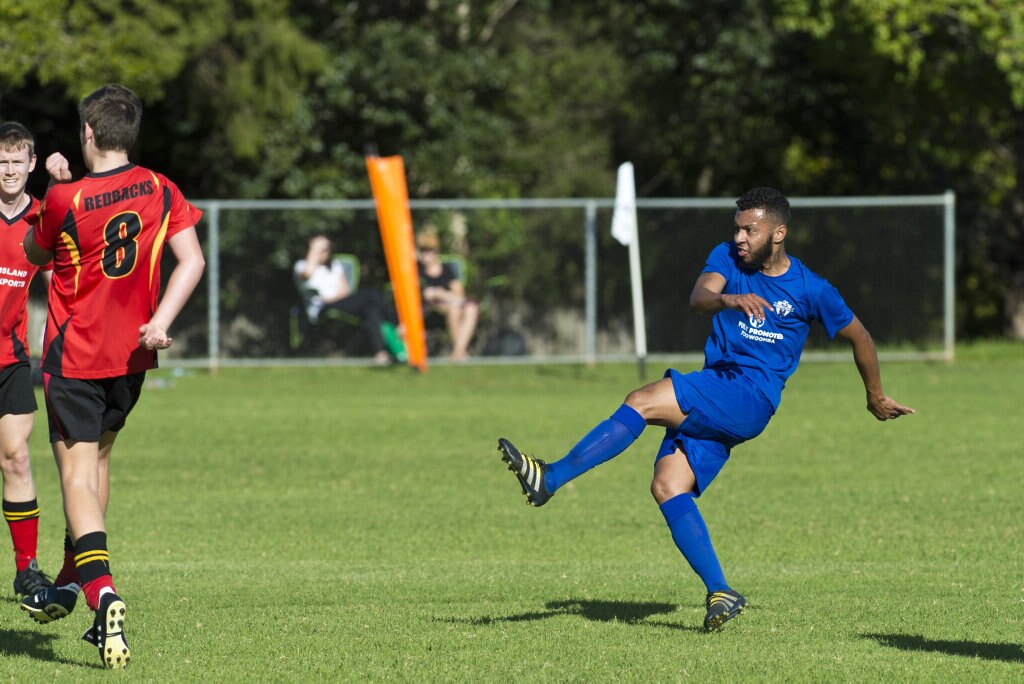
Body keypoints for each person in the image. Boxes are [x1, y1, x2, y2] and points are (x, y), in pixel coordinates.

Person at [495, 187, 915, 632]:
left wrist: (874, 395)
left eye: (750, 230)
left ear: (778, 233)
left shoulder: (811, 289)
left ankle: (551, 477)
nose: (739, 237)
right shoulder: (727, 260)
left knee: (641, 400)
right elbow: (699, 298)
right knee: (667, 486)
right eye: (737, 228)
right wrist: (728, 300)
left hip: (749, 396)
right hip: (720, 387)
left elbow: (860, 335)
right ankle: (722, 591)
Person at [20, 83, 206, 670]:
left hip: (75, 358)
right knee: (98, 467)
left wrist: (54, 183)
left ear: (89, 134)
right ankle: (74, 584)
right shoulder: (159, 186)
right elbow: (193, 260)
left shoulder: (65, 198)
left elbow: (33, 251)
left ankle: (102, 596)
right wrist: (159, 322)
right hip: (132, 357)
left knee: (74, 479)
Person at [0, 122, 54, 599]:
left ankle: (26, 570)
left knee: (16, 457)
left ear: (31, 164)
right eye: (2, 161)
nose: (10, 169)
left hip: (12, 360)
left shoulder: (44, 218)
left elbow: (67, 282)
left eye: (18, 161)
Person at [294, 233, 400, 364]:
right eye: (320, 249)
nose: (324, 252)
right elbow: (308, 274)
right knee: (371, 294)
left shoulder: (334, 266)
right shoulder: (301, 266)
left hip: (339, 301)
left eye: (326, 249)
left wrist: (335, 297)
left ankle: (380, 354)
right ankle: (399, 325)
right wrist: (316, 247)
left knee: (372, 309)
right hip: (322, 307)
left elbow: (345, 290)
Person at [416, 230, 478, 360]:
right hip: (432, 307)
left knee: (471, 308)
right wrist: (438, 294)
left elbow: (458, 291)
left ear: (436, 251)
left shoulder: (447, 268)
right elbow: (425, 294)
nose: (426, 254)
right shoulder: (418, 271)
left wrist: (445, 294)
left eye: (429, 250)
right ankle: (459, 353)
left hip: (451, 301)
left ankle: (458, 351)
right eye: (423, 251)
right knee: (453, 308)